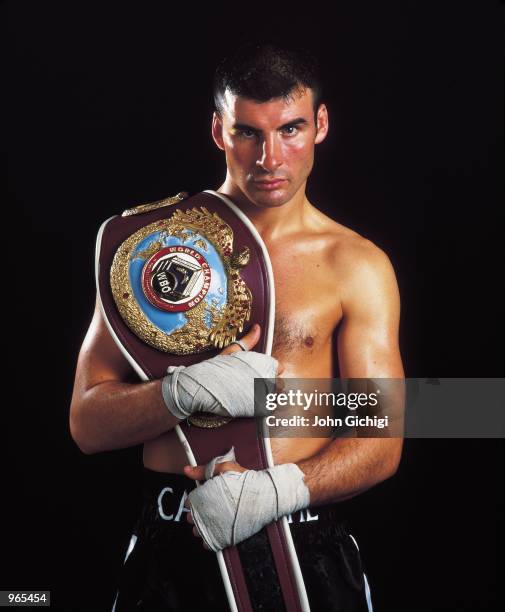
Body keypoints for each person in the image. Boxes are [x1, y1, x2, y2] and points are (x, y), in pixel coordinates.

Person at [70, 42, 404, 611]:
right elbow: (86, 424)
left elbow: (384, 436)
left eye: (291, 129)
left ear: (320, 124)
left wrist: (277, 490)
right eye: (248, 132)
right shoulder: (152, 250)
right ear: (219, 131)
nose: (270, 157)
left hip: (304, 544)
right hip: (173, 543)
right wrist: (180, 394)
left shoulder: (356, 264)